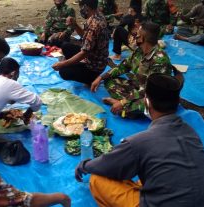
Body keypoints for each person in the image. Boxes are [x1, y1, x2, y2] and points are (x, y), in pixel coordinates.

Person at [75, 73, 204, 207]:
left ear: (147, 102)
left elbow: (106, 165)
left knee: (98, 178)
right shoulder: (191, 132)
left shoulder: (139, 142)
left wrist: (84, 165)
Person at [91, 22, 181, 119]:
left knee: (143, 107)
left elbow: (149, 90)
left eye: (137, 34)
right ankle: (125, 106)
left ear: (143, 38)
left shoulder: (159, 60)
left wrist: (123, 102)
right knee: (109, 81)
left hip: (153, 97)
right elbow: (123, 66)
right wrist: (101, 77)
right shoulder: (139, 51)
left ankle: (124, 107)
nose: (134, 36)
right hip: (138, 87)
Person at [52, 0, 109, 85]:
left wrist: (62, 64)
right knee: (66, 46)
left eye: (80, 6)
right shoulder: (96, 16)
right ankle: (76, 65)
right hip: (92, 56)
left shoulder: (95, 24)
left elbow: (84, 53)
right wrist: (74, 24)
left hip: (94, 67)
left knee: (64, 72)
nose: (80, 9)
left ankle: (91, 79)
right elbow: (84, 36)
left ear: (86, 7)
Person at [0, 57, 42, 125]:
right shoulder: (9, 83)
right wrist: (28, 114)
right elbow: (37, 101)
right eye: (17, 75)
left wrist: (1, 115)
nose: (17, 78)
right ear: (14, 73)